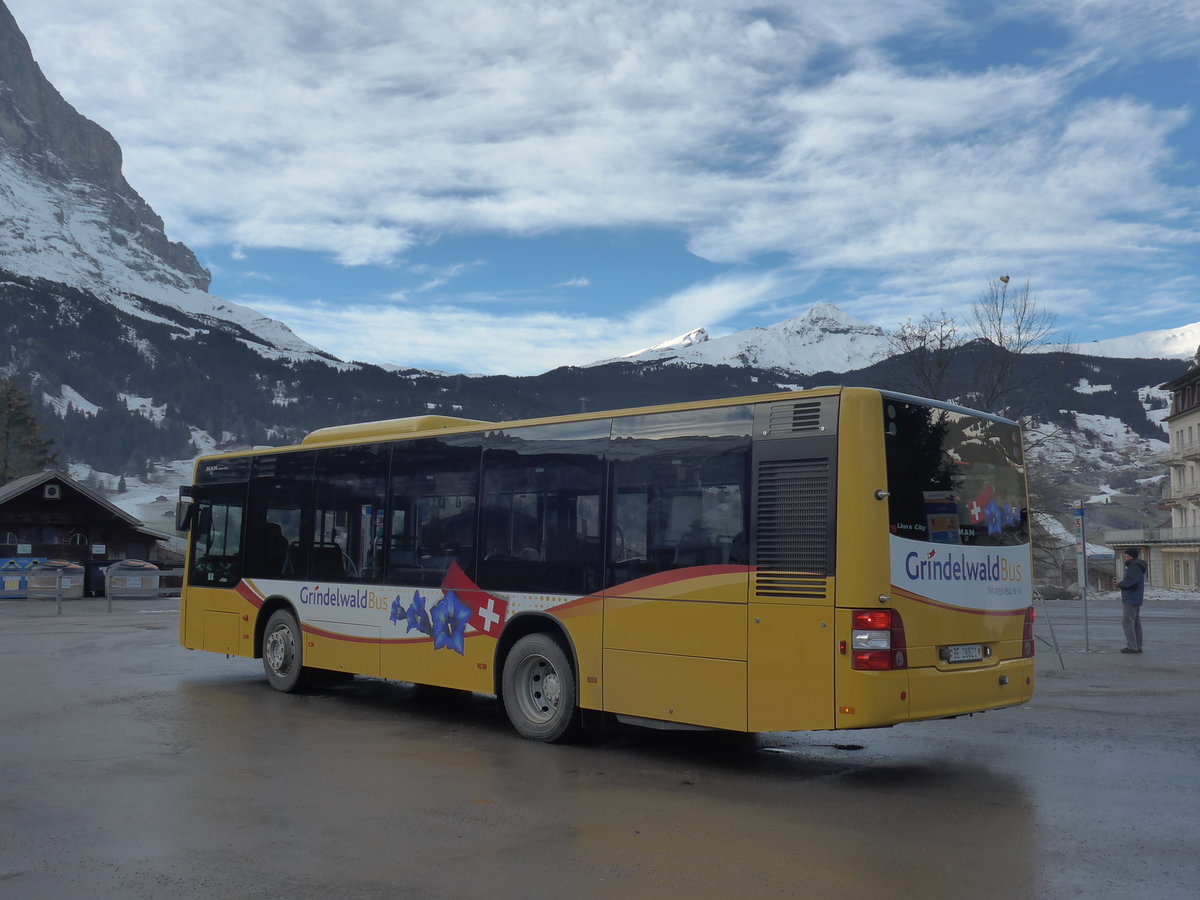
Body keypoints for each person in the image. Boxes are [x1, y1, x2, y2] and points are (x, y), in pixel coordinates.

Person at [1116, 547, 1146, 654]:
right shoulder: (1136, 565)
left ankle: (1132, 646)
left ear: (1130, 556)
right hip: (1135, 597)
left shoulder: (1134, 566)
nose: (1124, 556)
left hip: (1131, 597)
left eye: (1125, 554)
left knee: (1127, 622)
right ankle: (1137, 646)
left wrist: (1120, 584)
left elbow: (1130, 582)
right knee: (1135, 622)